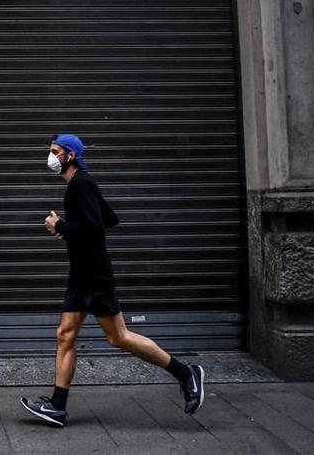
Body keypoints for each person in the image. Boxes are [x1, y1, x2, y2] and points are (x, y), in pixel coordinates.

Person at [19, 133, 204, 428]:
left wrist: (61, 225)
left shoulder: (81, 183)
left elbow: (93, 229)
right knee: (66, 334)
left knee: (118, 337)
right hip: (84, 272)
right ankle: (57, 405)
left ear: (70, 155)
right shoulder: (82, 184)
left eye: (55, 151)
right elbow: (108, 218)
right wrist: (69, 229)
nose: (50, 157)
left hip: (92, 275)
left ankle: (186, 374)